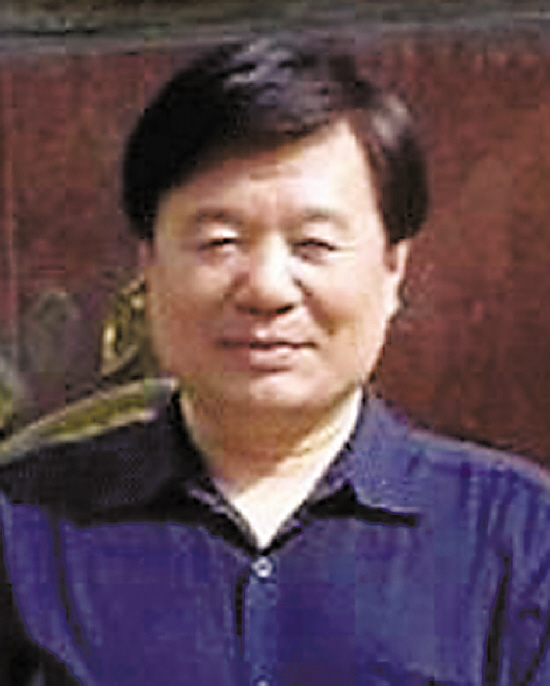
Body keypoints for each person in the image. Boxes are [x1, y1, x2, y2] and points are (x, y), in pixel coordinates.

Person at [0, 33, 549, 686]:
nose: (265, 288)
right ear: (148, 264)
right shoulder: (21, 530)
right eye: (219, 241)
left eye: (313, 245)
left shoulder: (520, 540)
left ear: (392, 269)